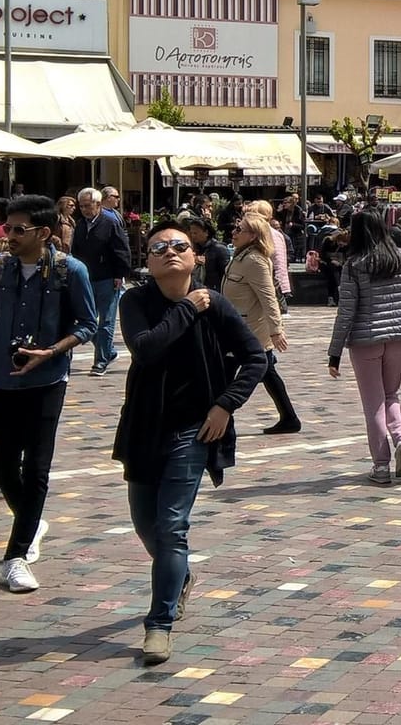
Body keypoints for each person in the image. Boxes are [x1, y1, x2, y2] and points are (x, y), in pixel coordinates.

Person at [116, 218, 268, 667]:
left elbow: (255, 358)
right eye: (158, 247)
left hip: (193, 430)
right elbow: (146, 347)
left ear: (195, 256)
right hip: (144, 428)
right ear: (147, 261)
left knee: (171, 526)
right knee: (146, 527)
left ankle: (158, 625)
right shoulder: (135, 301)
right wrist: (186, 309)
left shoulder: (216, 305)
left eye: (179, 245)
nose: (169, 251)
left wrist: (225, 406)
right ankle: (178, 577)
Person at [0, 195, 96, 593]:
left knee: (37, 469)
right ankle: (30, 519)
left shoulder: (70, 271)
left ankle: (15, 556)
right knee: (3, 466)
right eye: (7, 228)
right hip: (2, 379)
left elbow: (88, 325)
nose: (9, 236)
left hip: (47, 381)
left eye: (18, 229)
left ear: (43, 233)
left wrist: (50, 351)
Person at [328, 210, 401, 485]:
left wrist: (335, 352)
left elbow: (346, 311)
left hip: (365, 340)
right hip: (400, 336)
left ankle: (380, 466)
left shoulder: (354, 264)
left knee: (373, 404)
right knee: (391, 394)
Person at [222, 213, 300, 434]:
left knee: (227, 374)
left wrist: (276, 330)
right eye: (235, 228)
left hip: (249, 331)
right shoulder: (240, 255)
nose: (234, 233)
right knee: (268, 373)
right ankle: (289, 417)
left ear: (253, 236)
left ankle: (219, 415)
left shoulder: (255, 260)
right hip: (237, 327)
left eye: (240, 230)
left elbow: (268, 297)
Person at [71, 188, 132, 378]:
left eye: (88, 206)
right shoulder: (80, 225)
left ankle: (101, 361)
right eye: (81, 206)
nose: (84, 210)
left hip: (107, 277)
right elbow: (76, 251)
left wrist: (119, 274)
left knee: (105, 321)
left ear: (98, 205)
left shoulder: (110, 224)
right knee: (85, 320)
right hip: (86, 278)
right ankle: (108, 350)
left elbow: (122, 250)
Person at [185, 217, 231, 289]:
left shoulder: (219, 249)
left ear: (206, 232)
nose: (193, 236)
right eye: (191, 233)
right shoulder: (194, 248)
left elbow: (226, 274)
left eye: (195, 233)